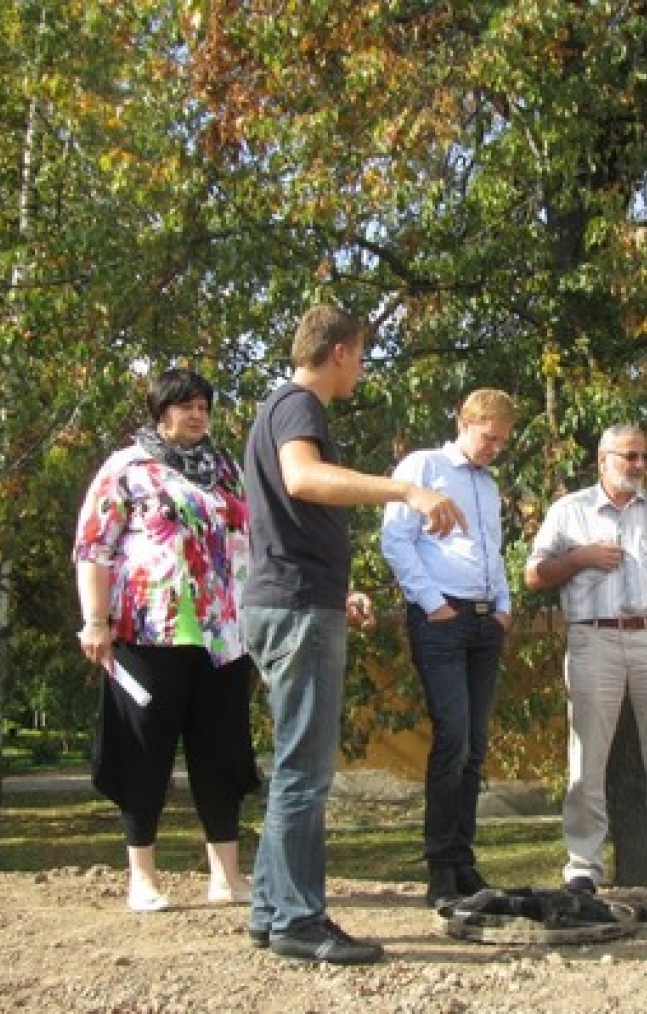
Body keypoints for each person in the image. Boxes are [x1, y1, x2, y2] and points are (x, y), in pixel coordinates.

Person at [243, 304, 467, 965]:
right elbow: (303, 478)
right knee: (304, 772)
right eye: (361, 355)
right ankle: (298, 920)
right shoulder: (298, 405)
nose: (362, 368)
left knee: (294, 764)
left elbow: (285, 519)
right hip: (297, 609)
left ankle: (270, 910)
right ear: (339, 350)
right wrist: (406, 491)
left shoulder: (274, 408)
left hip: (293, 600)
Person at [73, 367, 260, 913]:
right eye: (185, 406)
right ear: (161, 412)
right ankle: (143, 878)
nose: (197, 414)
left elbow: (252, 539)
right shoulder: (127, 468)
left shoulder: (226, 469)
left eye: (203, 406)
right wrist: (95, 621)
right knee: (143, 754)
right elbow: (93, 549)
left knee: (222, 754)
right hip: (148, 633)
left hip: (223, 636)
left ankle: (226, 877)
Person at [525, 425, 647, 895]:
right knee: (587, 760)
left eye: (643, 456)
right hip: (593, 638)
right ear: (603, 459)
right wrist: (578, 558)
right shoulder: (570, 510)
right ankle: (583, 866)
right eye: (629, 456)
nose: (639, 465)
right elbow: (533, 575)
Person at [379, 389, 517, 908]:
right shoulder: (425, 467)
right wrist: (432, 603)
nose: (493, 449)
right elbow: (396, 540)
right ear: (463, 423)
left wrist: (503, 605)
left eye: (501, 441)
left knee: (475, 745)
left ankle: (462, 861)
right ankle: (439, 865)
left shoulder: (489, 484)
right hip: (442, 619)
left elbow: (491, 548)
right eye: (488, 438)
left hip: (484, 620)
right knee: (452, 737)